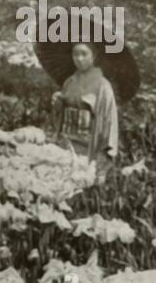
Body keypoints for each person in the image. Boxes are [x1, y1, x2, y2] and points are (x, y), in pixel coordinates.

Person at [49, 42, 119, 183]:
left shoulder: (102, 86)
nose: (79, 59)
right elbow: (60, 116)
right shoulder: (69, 82)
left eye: (84, 54)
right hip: (66, 142)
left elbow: (109, 121)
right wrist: (58, 105)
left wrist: (104, 154)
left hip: (88, 146)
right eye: (75, 54)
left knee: (83, 183)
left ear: (94, 55)